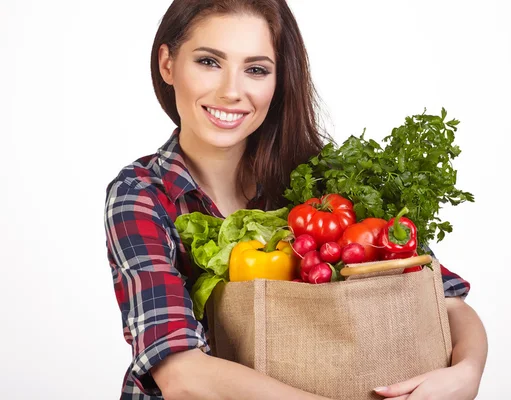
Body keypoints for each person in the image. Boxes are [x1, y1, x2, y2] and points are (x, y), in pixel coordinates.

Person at [103, 0, 488, 399]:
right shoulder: (141, 195)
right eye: (208, 62)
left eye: (256, 69)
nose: (231, 91)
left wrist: (467, 371)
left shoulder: (321, 185)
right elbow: (181, 376)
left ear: (279, 79)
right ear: (167, 63)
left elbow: (445, 299)